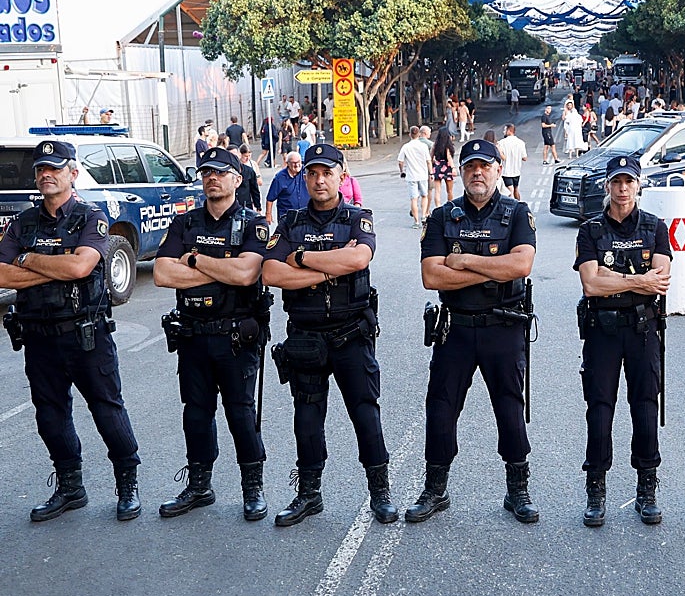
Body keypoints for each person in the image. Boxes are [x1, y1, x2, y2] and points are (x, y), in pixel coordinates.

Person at [0, 140, 141, 521]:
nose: (46, 174)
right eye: (41, 169)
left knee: (107, 411)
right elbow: (1, 274)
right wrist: (55, 265)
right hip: (38, 336)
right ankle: (70, 487)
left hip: (85, 335)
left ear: (73, 174)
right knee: (50, 415)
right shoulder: (23, 222)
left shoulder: (90, 218)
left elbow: (81, 268)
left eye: (55, 168)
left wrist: (27, 259)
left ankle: (127, 483)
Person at [262, 144, 397, 526]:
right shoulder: (290, 223)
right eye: (313, 173)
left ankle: (380, 492)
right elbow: (271, 273)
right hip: (306, 337)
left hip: (351, 334)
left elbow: (359, 258)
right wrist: (330, 268)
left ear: (342, 176)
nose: (319, 180)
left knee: (365, 414)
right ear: (305, 178)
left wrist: (302, 259)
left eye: (327, 173)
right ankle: (309, 494)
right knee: (306, 419)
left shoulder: (357, 218)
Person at [406, 139, 539, 525]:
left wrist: (462, 260)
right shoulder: (441, 216)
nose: (477, 172)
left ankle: (517, 490)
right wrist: (492, 269)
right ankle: (435, 489)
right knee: (441, 408)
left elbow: (521, 266)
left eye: (485, 166)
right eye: (470, 167)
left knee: (509, 409)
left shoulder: (517, 213)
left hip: (503, 325)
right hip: (456, 328)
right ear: (461, 172)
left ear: (498, 169)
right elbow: (431, 276)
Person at [153, 147, 272, 521]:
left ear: (237, 179)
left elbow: (246, 274)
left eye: (220, 172)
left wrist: (193, 260)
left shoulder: (253, 224)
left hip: (235, 337)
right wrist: (223, 269)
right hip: (193, 335)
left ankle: (252, 488)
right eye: (206, 173)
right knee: (196, 414)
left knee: (241, 414)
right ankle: (199, 485)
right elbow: (161, 274)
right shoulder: (185, 223)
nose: (212, 178)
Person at [574, 156, 672, 526]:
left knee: (645, 408)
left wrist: (613, 276)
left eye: (629, 181)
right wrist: (637, 280)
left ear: (638, 185)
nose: (623, 188)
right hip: (603, 330)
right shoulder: (591, 230)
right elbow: (591, 284)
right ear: (607, 186)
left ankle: (646, 489)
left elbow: (660, 281)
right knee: (600, 410)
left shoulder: (654, 226)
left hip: (642, 330)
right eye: (616, 182)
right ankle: (596, 489)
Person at [398, 126, 433, 227]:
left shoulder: (406, 147)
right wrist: (431, 173)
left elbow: (400, 161)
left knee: (414, 199)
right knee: (424, 196)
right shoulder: (424, 146)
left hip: (411, 176)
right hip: (423, 175)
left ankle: (416, 221)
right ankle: (424, 216)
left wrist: (402, 171)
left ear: (410, 134)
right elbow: (428, 161)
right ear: (419, 134)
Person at [265, 152, 308, 226]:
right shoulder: (280, 178)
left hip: (305, 215)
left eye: (299, 162)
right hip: (287, 217)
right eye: (294, 163)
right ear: (287, 163)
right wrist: (268, 214)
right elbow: (270, 199)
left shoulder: (306, 172)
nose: (297, 165)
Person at [496, 122, 528, 201]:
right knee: (516, 189)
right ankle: (519, 204)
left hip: (506, 172)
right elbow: (524, 158)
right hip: (517, 171)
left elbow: (503, 158)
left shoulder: (501, 143)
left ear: (509, 131)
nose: (503, 132)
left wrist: (499, 150)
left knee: (510, 191)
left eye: (505, 130)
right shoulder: (521, 142)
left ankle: (512, 206)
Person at [431, 127, 456, 205]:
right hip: (447, 167)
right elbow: (449, 158)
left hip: (437, 166)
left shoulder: (435, 145)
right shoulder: (448, 146)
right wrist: (453, 168)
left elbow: (431, 156)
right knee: (449, 190)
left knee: (437, 191)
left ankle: (438, 206)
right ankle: (450, 205)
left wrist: (431, 166)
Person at [236, 144, 262, 211]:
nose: (247, 158)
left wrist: (258, 205)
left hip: (250, 195)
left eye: (249, 156)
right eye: (245, 156)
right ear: (240, 155)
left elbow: (259, 183)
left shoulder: (253, 164)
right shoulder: (237, 165)